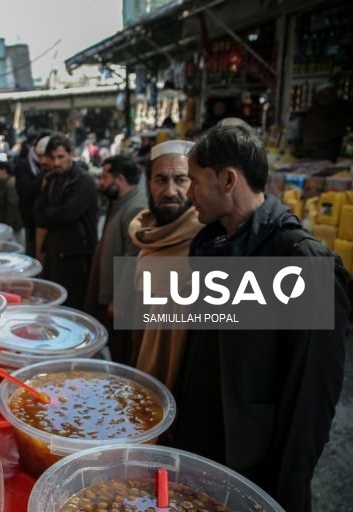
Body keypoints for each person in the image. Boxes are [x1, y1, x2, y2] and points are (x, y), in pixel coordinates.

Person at [172, 125, 350, 511]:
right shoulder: (213, 247)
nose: (188, 194)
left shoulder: (300, 260)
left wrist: (283, 495)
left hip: (252, 474)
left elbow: (310, 404)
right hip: (200, 458)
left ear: (228, 180)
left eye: (194, 181)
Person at [128, 140, 202, 390]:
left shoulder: (205, 244)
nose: (170, 191)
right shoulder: (146, 235)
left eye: (181, 180)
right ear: (149, 184)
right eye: (161, 180)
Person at [84, 155, 146, 364]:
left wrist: (119, 299)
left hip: (119, 302)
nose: (101, 182)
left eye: (105, 177)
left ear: (119, 179)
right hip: (109, 293)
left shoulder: (135, 207)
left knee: (120, 353)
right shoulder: (120, 201)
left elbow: (132, 259)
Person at [34, 133, 98, 309]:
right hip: (55, 251)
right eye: (52, 157)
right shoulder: (52, 178)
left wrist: (50, 214)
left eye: (61, 157)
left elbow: (67, 214)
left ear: (70, 154)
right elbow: (38, 215)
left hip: (76, 256)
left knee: (73, 305)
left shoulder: (84, 181)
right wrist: (53, 214)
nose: (56, 162)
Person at [300, 83, 352, 162]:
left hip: (324, 147)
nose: (325, 97)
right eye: (324, 93)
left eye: (328, 93)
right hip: (317, 148)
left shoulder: (338, 107)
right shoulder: (315, 109)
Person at [15, 133, 48, 257]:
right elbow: (25, 189)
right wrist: (44, 174)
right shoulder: (23, 164)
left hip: (47, 219)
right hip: (30, 216)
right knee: (32, 250)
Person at [0, 159, 24, 243]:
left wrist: (7, 225)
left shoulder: (10, 184)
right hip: (5, 223)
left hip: (12, 225)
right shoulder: (2, 183)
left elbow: (12, 205)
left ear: (4, 171)